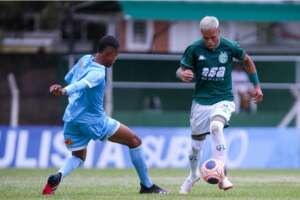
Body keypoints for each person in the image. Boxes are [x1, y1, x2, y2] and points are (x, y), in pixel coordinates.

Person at [42, 35, 167, 195]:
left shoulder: (85, 59)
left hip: (71, 119)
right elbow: (81, 84)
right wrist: (65, 91)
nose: (115, 60)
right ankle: (147, 186)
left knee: (79, 156)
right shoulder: (98, 73)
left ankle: (57, 176)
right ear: (109, 53)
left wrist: (62, 88)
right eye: (115, 55)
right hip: (93, 121)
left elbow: (69, 78)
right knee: (135, 141)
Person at [176, 16, 263, 194]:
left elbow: (247, 61)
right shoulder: (194, 49)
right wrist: (182, 74)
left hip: (223, 98)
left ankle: (222, 176)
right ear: (202, 34)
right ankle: (193, 175)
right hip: (200, 101)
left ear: (219, 32)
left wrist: (256, 86)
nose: (209, 41)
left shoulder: (230, 47)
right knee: (195, 146)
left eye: (213, 37)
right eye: (206, 38)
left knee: (216, 126)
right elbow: (180, 69)